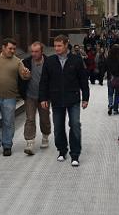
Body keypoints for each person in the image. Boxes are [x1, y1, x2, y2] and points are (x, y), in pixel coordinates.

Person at [39, 34, 90, 166]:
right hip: (56, 99)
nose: (56, 48)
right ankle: (62, 150)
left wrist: (85, 98)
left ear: (66, 45)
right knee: (58, 127)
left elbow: (83, 80)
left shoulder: (76, 60)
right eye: (55, 45)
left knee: (75, 125)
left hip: (72, 98)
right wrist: (43, 98)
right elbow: (44, 81)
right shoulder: (50, 61)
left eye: (59, 45)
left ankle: (75, 154)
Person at [20, 41, 51, 155]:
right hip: (30, 96)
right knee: (30, 118)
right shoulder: (25, 62)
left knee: (44, 119)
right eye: (32, 51)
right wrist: (24, 77)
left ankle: (45, 136)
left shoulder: (49, 62)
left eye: (36, 51)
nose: (33, 54)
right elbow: (20, 78)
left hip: (44, 97)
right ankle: (30, 142)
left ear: (42, 51)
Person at [105, 44, 119, 115]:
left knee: (110, 93)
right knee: (117, 94)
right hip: (118, 78)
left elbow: (105, 67)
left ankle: (110, 105)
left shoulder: (108, 58)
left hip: (110, 78)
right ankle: (115, 109)